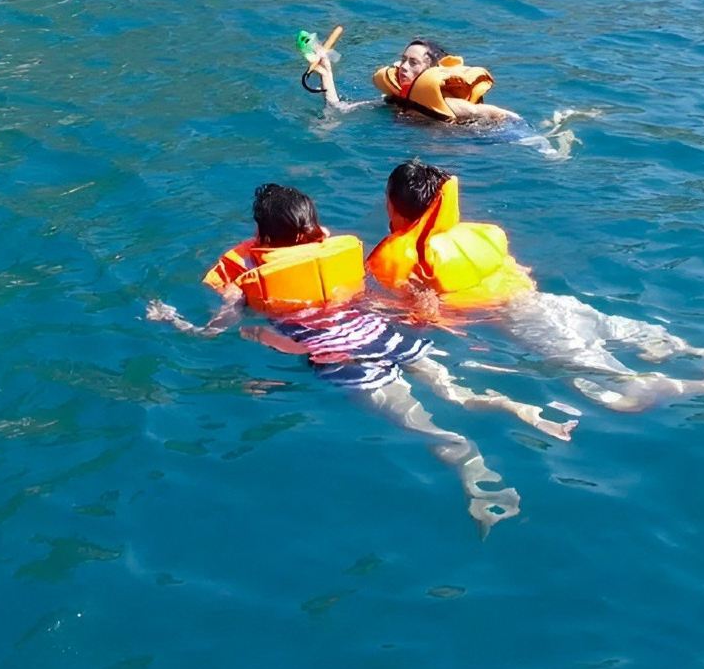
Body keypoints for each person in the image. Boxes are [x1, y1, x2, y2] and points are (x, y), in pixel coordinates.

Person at [146, 184, 571, 533]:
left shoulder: (244, 277)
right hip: (381, 333)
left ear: (261, 235)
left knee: (423, 425)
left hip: (340, 357)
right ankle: (524, 410)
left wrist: (171, 321)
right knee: (458, 392)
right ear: (313, 228)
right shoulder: (337, 254)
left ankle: (477, 481)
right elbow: (369, 300)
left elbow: (212, 331)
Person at [372, 161, 704, 413]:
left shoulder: (407, 260)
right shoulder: (476, 235)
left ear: (393, 207)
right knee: (636, 334)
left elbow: (427, 314)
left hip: (519, 318)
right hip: (549, 303)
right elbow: (518, 269)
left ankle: (703, 385)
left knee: (620, 390)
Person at [307, 40, 520, 126]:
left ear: (430, 71)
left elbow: (495, 113)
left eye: (413, 62)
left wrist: (537, 142)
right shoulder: (395, 100)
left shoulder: (448, 103)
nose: (403, 67)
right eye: (403, 60)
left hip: (466, 144)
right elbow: (339, 110)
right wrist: (326, 73)